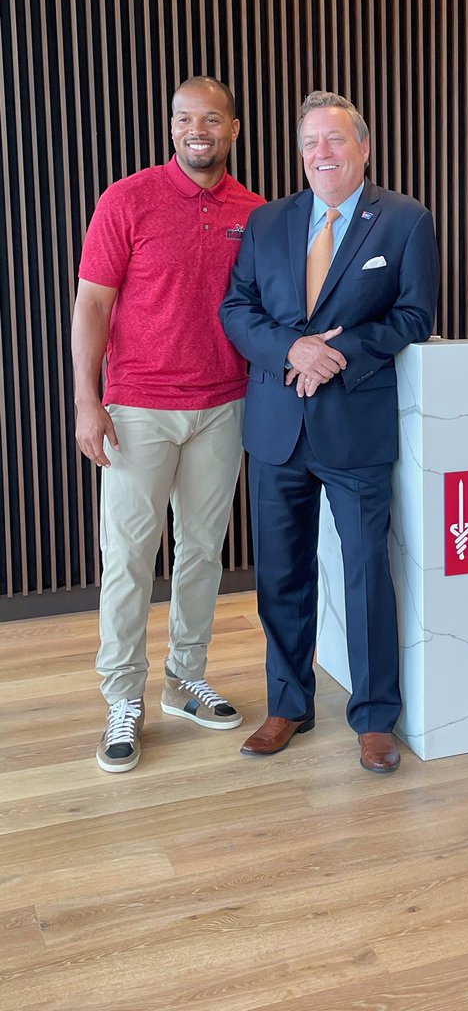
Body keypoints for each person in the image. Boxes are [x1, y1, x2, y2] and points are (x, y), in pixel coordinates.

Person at [219, 90, 439, 773]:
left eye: (336, 139)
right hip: (277, 425)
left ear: (363, 148)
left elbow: (414, 315)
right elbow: (236, 309)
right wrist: (293, 348)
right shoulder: (266, 222)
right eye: (311, 142)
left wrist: (338, 353)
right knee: (281, 573)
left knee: (367, 571)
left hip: (354, 425)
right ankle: (288, 705)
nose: (322, 153)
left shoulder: (404, 220)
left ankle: (374, 719)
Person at [72, 76, 265, 774]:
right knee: (128, 559)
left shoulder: (255, 212)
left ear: (232, 129)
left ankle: (185, 679)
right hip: (138, 408)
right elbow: (93, 304)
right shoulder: (127, 199)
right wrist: (87, 401)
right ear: (172, 127)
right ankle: (122, 699)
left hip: (223, 406)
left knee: (202, 552)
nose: (196, 130)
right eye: (185, 118)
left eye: (210, 119)